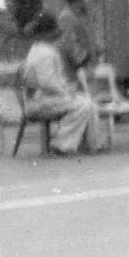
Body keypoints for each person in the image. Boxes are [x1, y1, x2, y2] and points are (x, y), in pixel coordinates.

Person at [20, 13, 96, 156]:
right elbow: (47, 82)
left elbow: (51, 81)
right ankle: (62, 144)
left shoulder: (40, 48)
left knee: (84, 101)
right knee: (82, 104)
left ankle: (84, 143)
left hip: (42, 98)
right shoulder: (44, 52)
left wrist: (67, 89)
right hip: (38, 102)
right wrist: (66, 92)